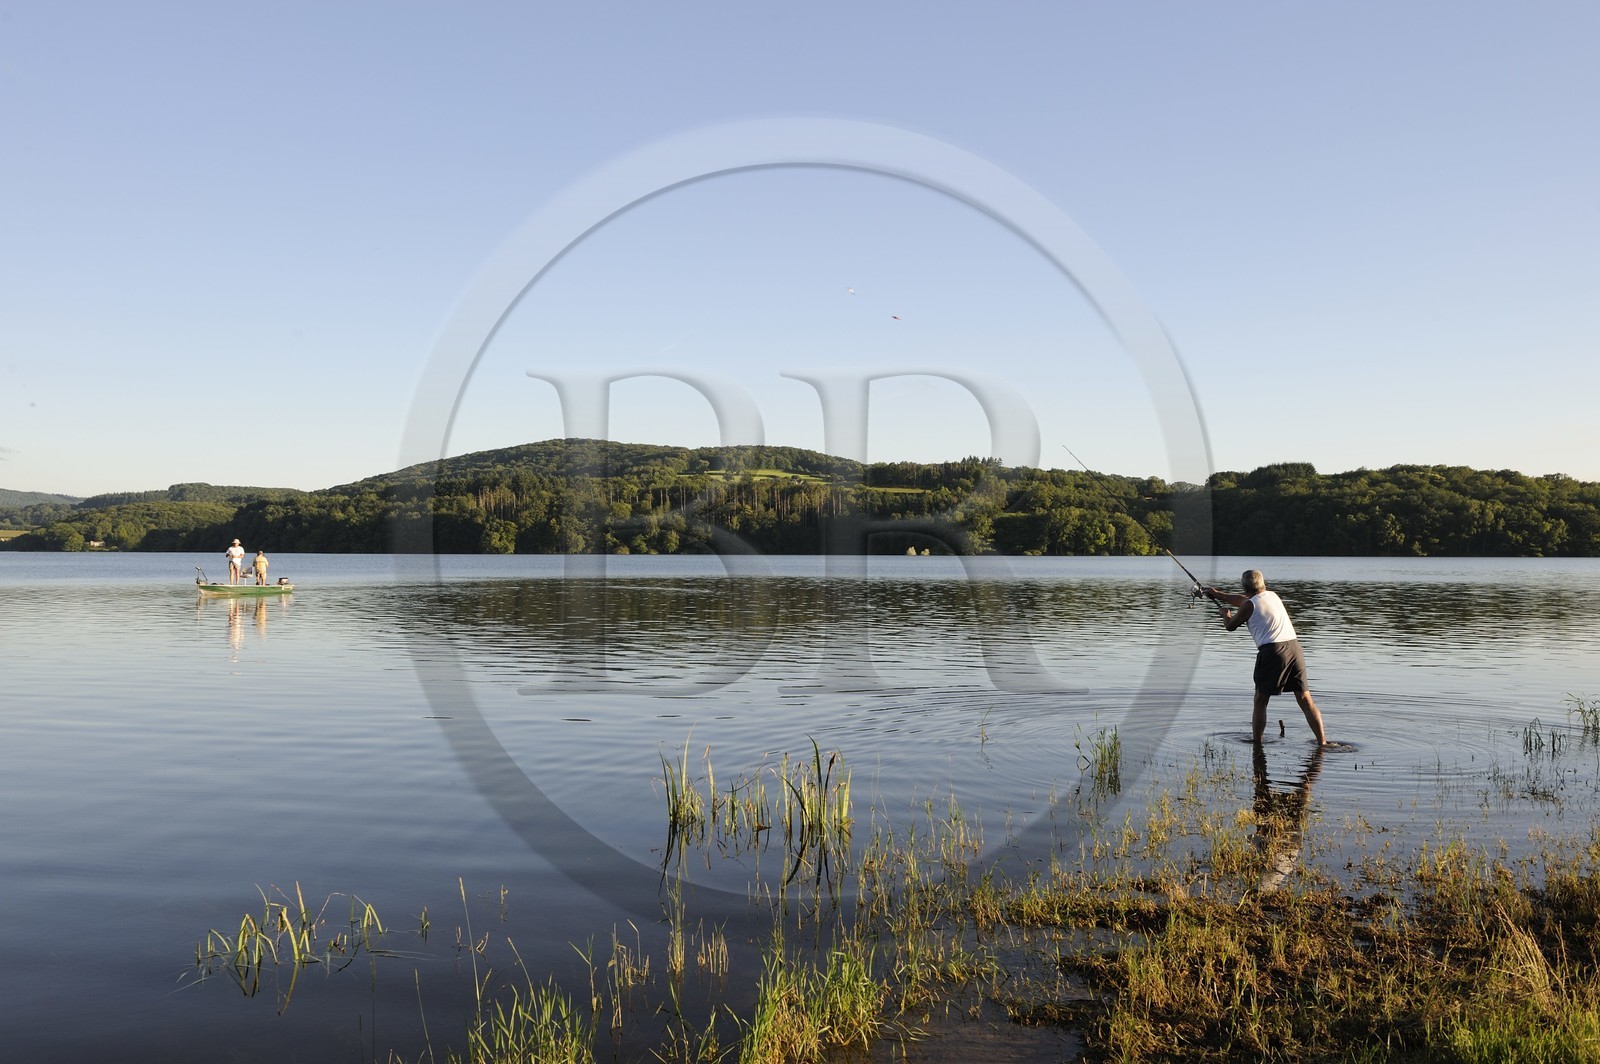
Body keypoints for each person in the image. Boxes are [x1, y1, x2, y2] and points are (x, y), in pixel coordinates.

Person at [1207, 570, 1329, 745]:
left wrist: (1225, 615)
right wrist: (1217, 594)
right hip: (1295, 648)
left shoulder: (1249, 606)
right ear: (1263, 584)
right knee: (1305, 699)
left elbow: (1231, 626)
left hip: (1273, 652)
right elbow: (1243, 600)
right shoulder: (1272, 596)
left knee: (1260, 700)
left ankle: (1257, 744)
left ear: (1245, 587)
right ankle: (1322, 743)